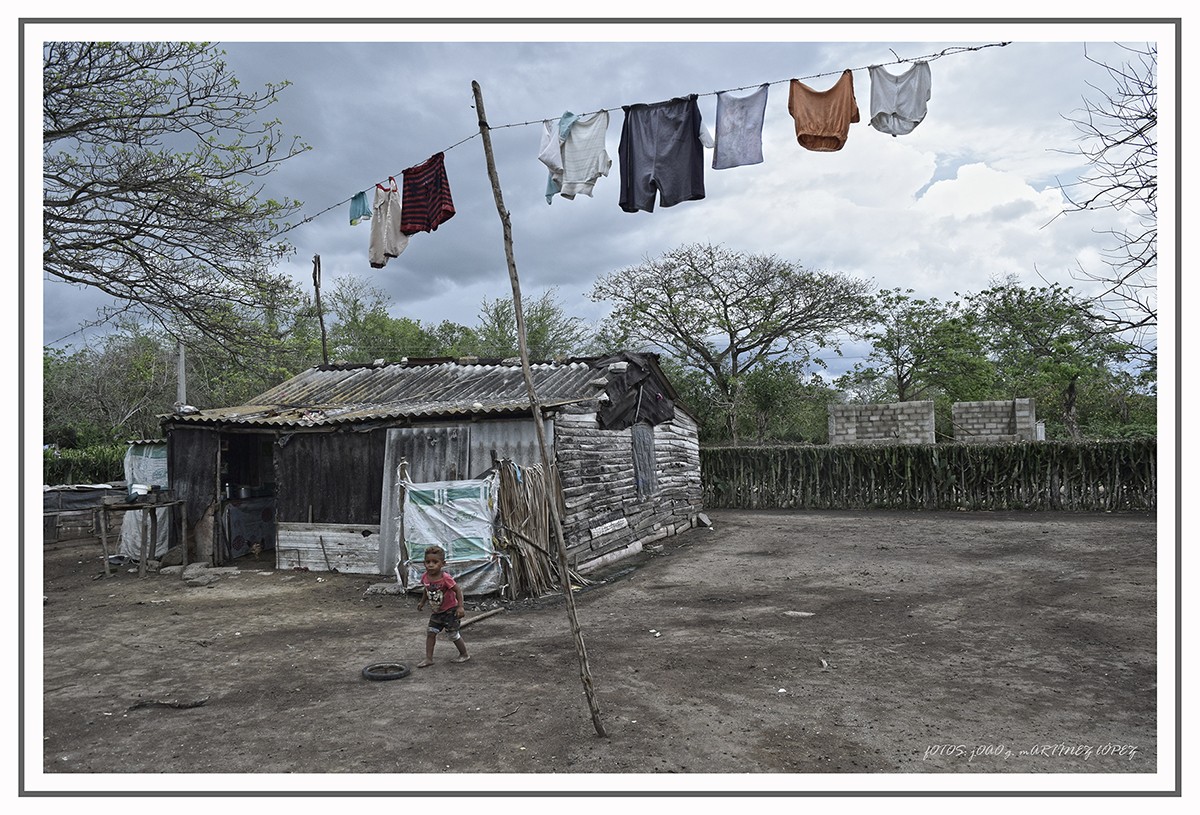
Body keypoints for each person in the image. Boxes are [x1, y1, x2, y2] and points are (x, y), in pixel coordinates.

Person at [416, 545, 470, 667]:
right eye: (427, 562)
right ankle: (429, 659)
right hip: (436, 612)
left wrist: (460, 607)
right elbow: (426, 589)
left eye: (435, 562)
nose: (430, 565)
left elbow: (458, 591)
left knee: (453, 634)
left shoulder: (445, 578)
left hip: (450, 612)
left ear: (443, 564)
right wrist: (422, 602)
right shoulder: (425, 577)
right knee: (431, 633)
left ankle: (464, 654)